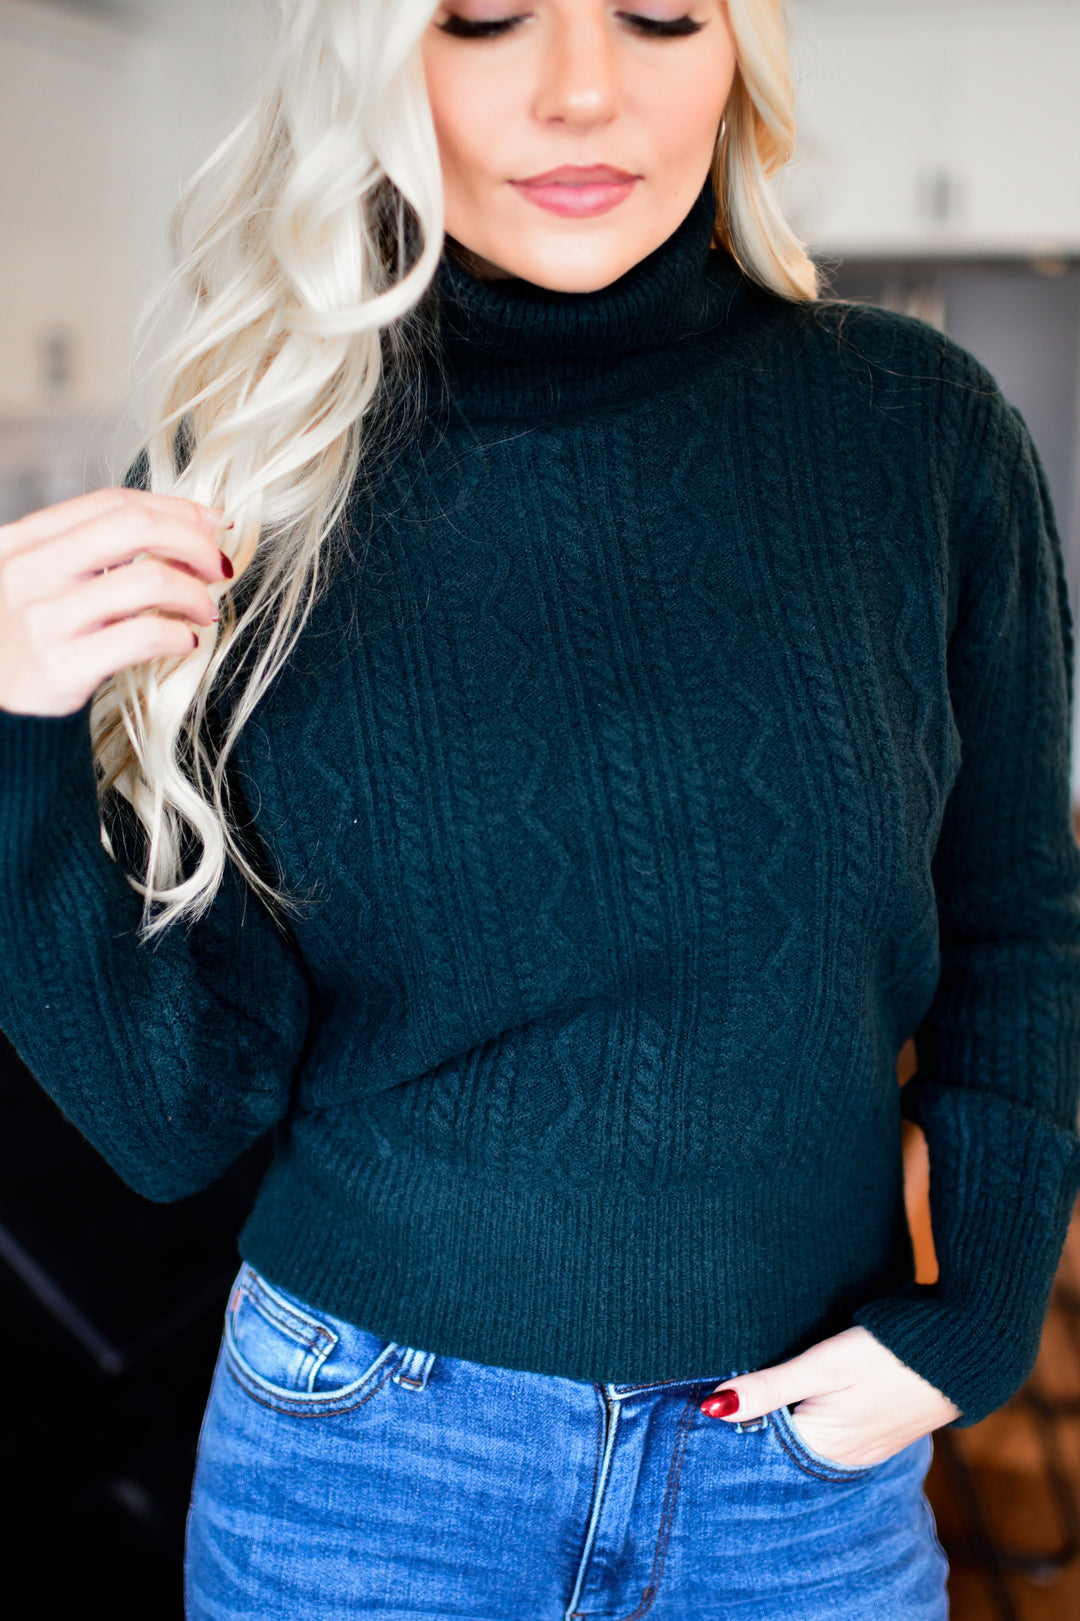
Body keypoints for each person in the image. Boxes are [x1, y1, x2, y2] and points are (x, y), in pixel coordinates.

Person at [0, 0, 1077, 1614]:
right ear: (375, 63)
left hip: (795, 1479)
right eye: (484, 18)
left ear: (738, 57)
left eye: (659, 15)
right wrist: (14, 738)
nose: (585, 91)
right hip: (362, 1472)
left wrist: (983, 1305)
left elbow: (1019, 920)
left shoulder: (920, 437)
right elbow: (175, 1118)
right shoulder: (255, 469)